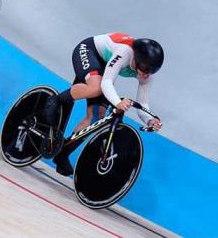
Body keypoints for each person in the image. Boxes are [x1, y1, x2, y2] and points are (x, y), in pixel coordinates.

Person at [44, 32, 164, 176]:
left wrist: (150, 119)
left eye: (152, 70)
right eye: (145, 68)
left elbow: (143, 103)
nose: (147, 74)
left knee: (97, 117)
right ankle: (57, 100)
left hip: (105, 65)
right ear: (137, 59)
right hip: (89, 50)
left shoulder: (146, 75)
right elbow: (106, 82)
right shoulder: (125, 52)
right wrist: (118, 103)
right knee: (97, 87)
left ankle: (63, 153)